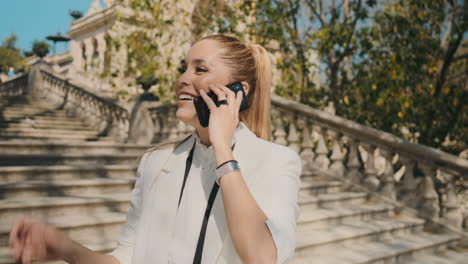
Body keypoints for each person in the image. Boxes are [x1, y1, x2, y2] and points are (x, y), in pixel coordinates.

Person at [9, 34, 302, 264]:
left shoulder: (276, 161)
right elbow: (126, 258)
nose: (183, 79)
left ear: (239, 91)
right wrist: (65, 248)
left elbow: (263, 257)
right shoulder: (155, 163)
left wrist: (222, 149)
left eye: (200, 69)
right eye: (183, 68)